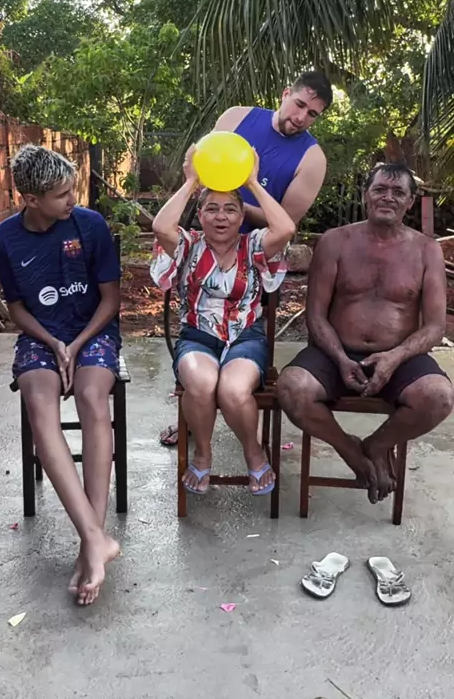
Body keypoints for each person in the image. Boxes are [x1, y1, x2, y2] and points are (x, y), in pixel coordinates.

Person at [159, 70, 333, 445]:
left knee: (247, 340)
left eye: (312, 114)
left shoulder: (313, 159)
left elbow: (284, 223)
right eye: (299, 104)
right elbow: (203, 173)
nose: (301, 117)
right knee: (196, 331)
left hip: (257, 256)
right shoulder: (236, 117)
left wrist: (236, 203)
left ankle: (244, 412)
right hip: (206, 245)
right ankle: (190, 419)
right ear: (285, 94)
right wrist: (215, 203)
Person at [0, 145, 121, 606]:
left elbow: (111, 300)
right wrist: (53, 342)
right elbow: (16, 308)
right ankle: (95, 540)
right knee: (39, 404)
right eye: (62, 194)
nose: (73, 200)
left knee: (91, 397)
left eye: (72, 190)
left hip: (93, 331)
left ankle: (91, 543)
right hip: (41, 336)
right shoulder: (4, 238)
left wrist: (78, 343)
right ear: (31, 199)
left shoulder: (91, 225)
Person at [277, 162, 453, 504]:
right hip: (335, 352)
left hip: (400, 356)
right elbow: (315, 315)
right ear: (365, 195)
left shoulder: (426, 249)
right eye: (380, 189)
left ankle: (375, 445)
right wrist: (340, 359)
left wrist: (394, 357)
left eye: (398, 192)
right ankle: (352, 452)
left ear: (410, 202)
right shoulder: (335, 241)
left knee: (439, 397)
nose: (388, 197)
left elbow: (435, 326)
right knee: (291, 388)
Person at [151, 145, 295, 495]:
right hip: (197, 338)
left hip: (245, 338)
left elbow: (286, 228)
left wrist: (251, 182)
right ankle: (202, 453)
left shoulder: (253, 246)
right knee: (202, 384)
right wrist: (192, 181)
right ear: (200, 215)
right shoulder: (189, 245)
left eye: (230, 209)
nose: (221, 217)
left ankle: (253, 452)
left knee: (232, 390)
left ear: (242, 216)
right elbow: (160, 226)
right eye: (212, 208)